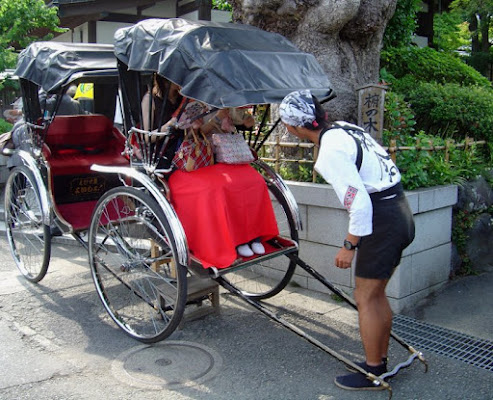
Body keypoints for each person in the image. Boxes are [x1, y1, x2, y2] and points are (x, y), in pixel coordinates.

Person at [279, 90, 415, 391]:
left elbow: (361, 204)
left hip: (381, 221)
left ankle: (372, 372)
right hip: (400, 211)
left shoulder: (330, 153)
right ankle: (379, 359)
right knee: (376, 294)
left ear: (293, 126)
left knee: (365, 297)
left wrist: (349, 245)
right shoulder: (345, 128)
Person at [167, 100, 279, 268]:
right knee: (217, 189)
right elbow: (188, 138)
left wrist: (243, 119)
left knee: (253, 180)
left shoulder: (220, 97)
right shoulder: (189, 103)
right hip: (193, 162)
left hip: (220, 157)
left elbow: (243, 121)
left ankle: (253, 236)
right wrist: (213, 121)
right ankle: (236, 239)